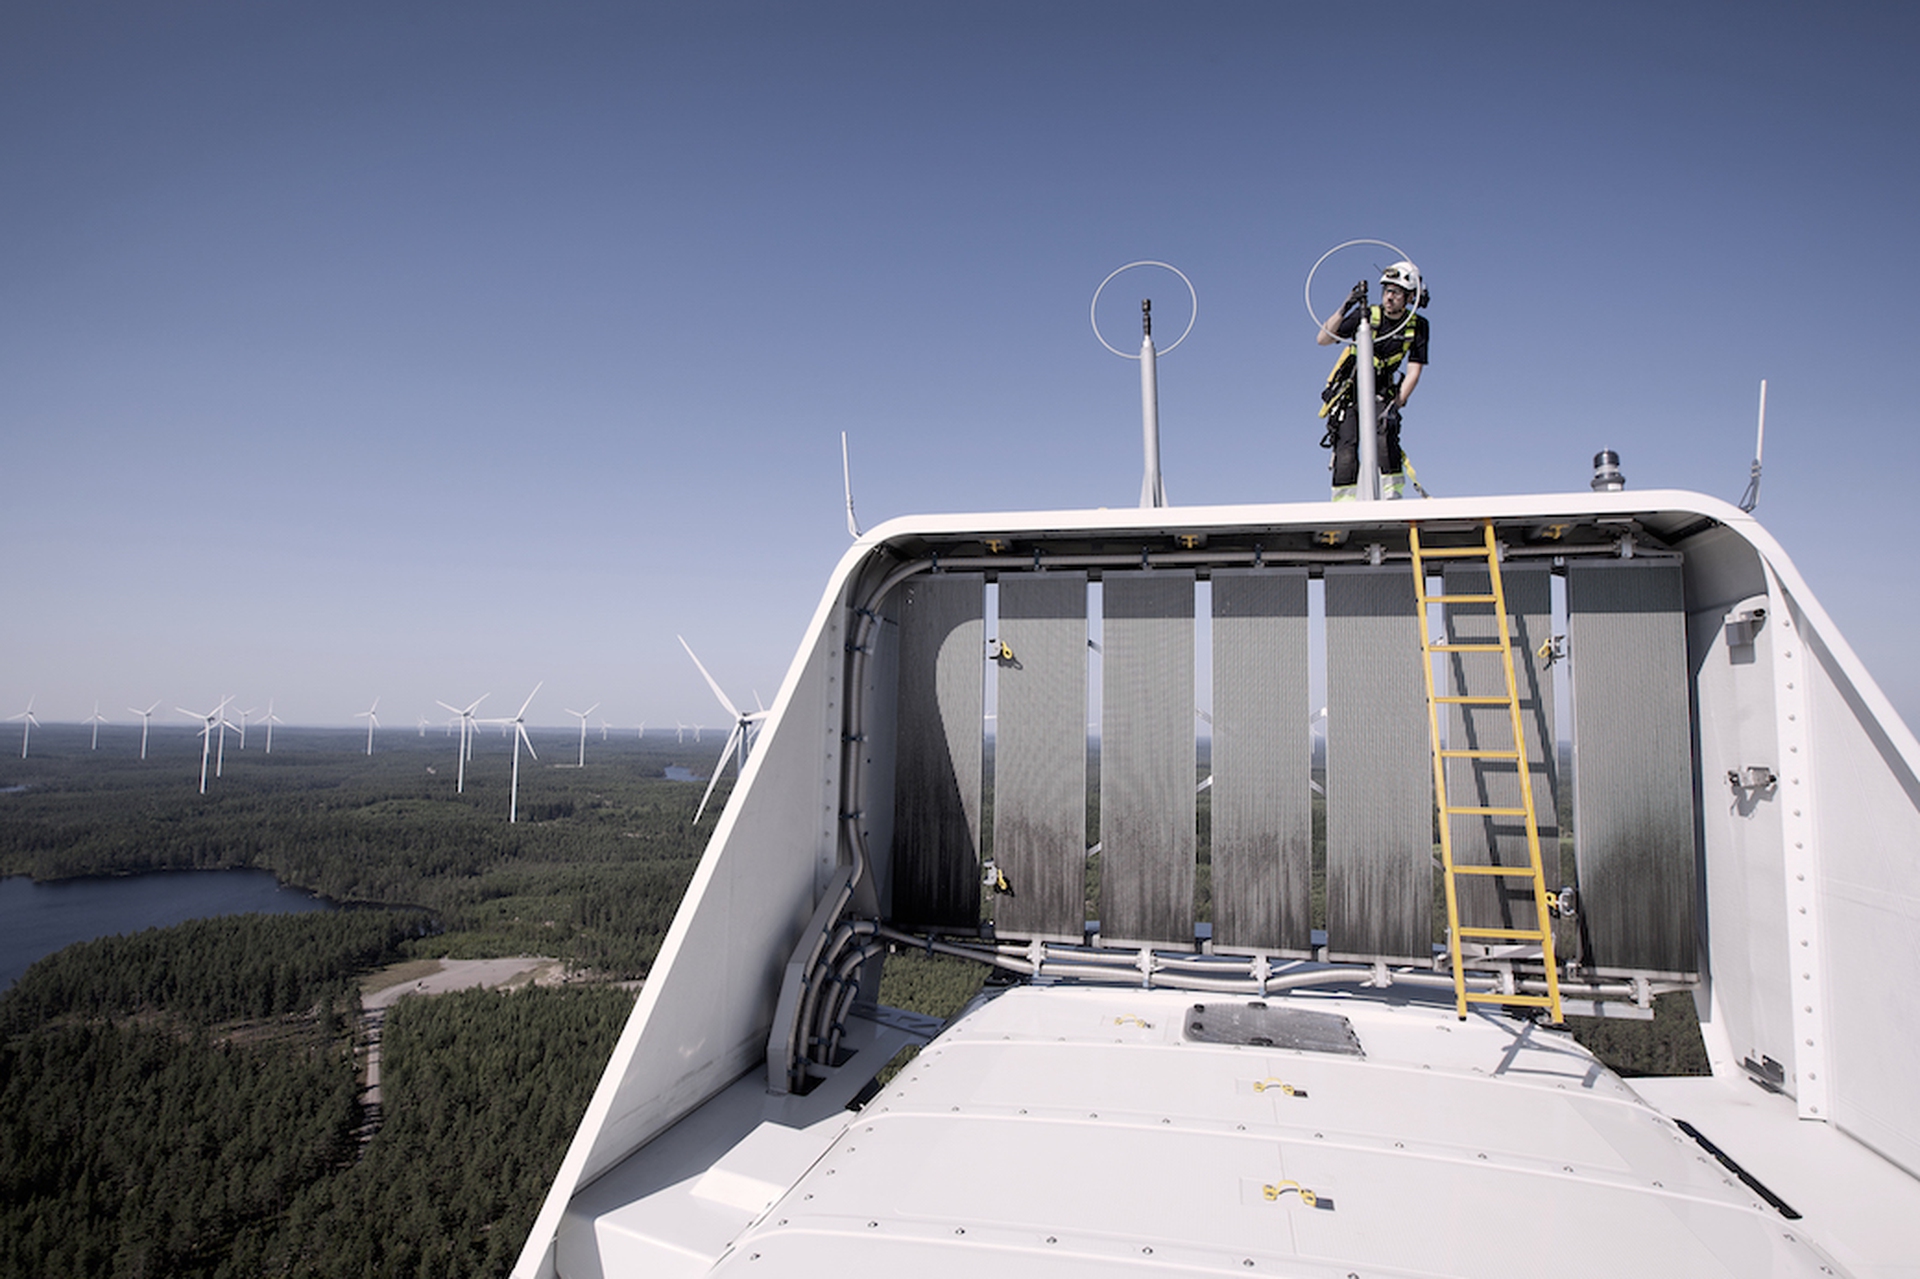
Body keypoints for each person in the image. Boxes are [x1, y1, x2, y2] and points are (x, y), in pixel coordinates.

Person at [1316, 261, 1429, 499]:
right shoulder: (1366, 315)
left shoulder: (1417, 326)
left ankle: (1392, 496)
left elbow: (1414, 371)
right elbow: (1323, 339)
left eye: (1396, 292)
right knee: (1346, 446)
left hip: (1382, 391)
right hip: (1349, 391)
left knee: (1385, 432)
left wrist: (1397, 404)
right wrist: (1346, 306)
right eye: (1386, 290)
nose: (1389, 297)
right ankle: (1344, 505)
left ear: (1410, 297)